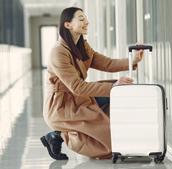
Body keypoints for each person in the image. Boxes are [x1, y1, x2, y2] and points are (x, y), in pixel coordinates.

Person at [40, 7, 144, 160]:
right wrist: (113, 87)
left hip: (79, 99)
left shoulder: (82, 46)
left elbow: (107, 63)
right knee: (109, 146)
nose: (87, 22)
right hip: (62, 107)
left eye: (86, 18)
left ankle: (59, 135)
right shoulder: (58, 52)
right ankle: (61, 135)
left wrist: (133, 60)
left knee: (117, 99)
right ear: (67, 24)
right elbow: (77, 87)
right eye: (81, 19)